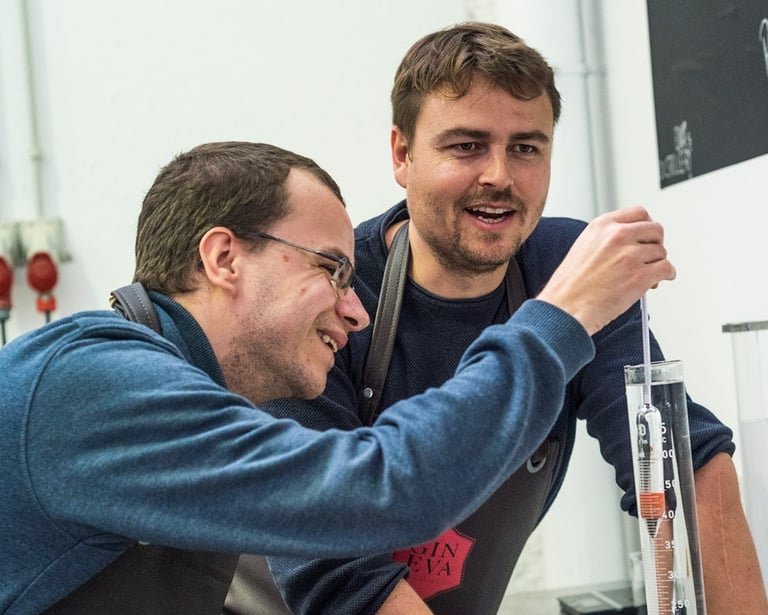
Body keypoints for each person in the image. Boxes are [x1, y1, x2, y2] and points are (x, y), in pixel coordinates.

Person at [229, 23, 768, 615]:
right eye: (467, 146)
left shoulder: (566, 267)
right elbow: (333, 570)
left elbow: (678, 462)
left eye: (526, 148)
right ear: (402, 154)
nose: (500, 176)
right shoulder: (331, 299)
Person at [0, 141, 673, 614]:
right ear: (224, 256)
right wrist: (560, 316)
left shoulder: (169, 396)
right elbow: (380, 487)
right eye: (330, 269)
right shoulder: (94, 383)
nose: (355, 309)